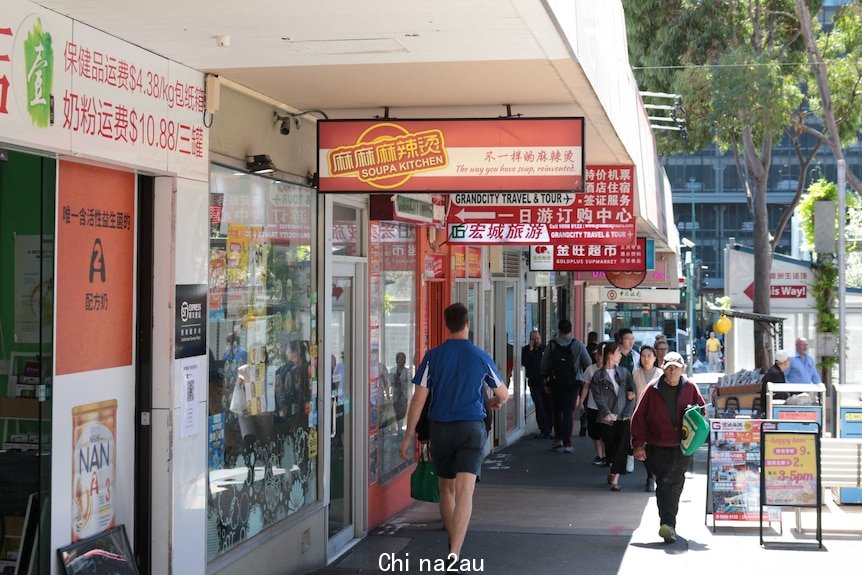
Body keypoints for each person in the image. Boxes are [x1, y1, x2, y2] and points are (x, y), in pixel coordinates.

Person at [399, 303, 509, 565]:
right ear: (467, 323)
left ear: (447, 325)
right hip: (471, 428)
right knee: (465, 492)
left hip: (441, 429)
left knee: (446, 489)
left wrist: (408, 436)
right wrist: (494, 403)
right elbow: (503, 393)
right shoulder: (480, 356)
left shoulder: (433, 356)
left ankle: (451, 541)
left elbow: (418, 400)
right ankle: (454, 554)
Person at [631, 351, 705, 544]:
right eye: (669, 367)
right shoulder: (652, 388)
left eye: (676, 368)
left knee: (676, 483)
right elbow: (638, 418)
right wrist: (638, 444)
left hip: (682, 446)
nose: (672, 371)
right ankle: (668, 523)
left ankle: (668, 524)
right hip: (657, 444)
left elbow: (702, 412)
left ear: (683, 369)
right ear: (663, 368)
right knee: (664, 482)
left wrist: (694, 418)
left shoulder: (690, 388)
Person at [540, 319, 593, 453]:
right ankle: (568, 444)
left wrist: (545, 379)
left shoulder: (551, 345)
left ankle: (558, 439)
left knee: (556, 411)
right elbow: (588, 363)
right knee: (568, 412)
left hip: (556, 383)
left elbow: (544, 364)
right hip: (572, 383)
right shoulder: (578, 345)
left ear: (558, 329)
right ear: (571, 330)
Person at [590, 343, 636, 492]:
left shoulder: (624, 372)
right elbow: (598, 397)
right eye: (618, 352)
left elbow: (631, 393)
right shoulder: (598, 375)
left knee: (622, 447)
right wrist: (606, 412)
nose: (620, 355)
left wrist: (628, 413)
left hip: (623, 416)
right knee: (609, 447)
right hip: (606, 417)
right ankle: (613, 472)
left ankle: (615, 478)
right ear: (610, 354)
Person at [633, 345, 663, 491]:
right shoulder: (635, 374)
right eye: (643, 356)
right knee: (643, 447)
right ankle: (650, 476)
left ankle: (653, 476)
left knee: (654, 448)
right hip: (640, 418)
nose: (645, 359)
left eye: (649, 356)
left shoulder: (661, 374)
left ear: (655, 358)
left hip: (656, 418)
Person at [577, 341, 607, 466]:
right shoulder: (590, 369)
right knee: (595, 433)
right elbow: (586, 387)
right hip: (592, 405)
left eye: (600, 354)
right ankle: (599, 456)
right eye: (596, 354)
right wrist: (581, 402)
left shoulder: (612, 369)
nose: (598, 357)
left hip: (607, 407)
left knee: (605, 433)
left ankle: (607, 456)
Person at [522, 330, 551, 439]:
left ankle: (549, 427)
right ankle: (544, 429)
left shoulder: (546, 349)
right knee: (539, 405)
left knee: (547, 405)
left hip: (545, 381)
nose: (536, 341)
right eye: (533, 339)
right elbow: (525, 363)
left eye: (537, 339)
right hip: (534, 382)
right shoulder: (526, 350)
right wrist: (530, 350)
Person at [760, 349, 790, 417]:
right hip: (771, 410)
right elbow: (780, 392)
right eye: (788, 360)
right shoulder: (775, 373)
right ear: (785, 362)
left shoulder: (776, 371)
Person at [390, 352, 411, 430]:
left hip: (403, 395)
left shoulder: (407, 371)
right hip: (395, 394)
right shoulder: (392, 370)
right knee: (396, 411)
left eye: (404, 358)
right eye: (401, 358)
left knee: (402, 412)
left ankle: (400, 427)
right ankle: (398, 427)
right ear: (397, 360)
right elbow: (390, 383)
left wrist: (401, 382)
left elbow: (410, 384)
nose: (403, 360)